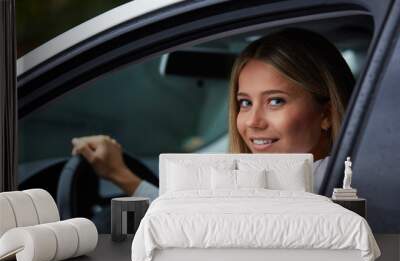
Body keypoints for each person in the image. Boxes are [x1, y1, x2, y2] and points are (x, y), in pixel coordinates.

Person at [71, 28, 354, 200]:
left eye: (275, 101)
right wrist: (121, 175)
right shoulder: (297, 178)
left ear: (326, 114)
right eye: (244, 103)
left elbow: (189, 225)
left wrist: (121, 176)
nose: (253, 121)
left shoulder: (315, 185)